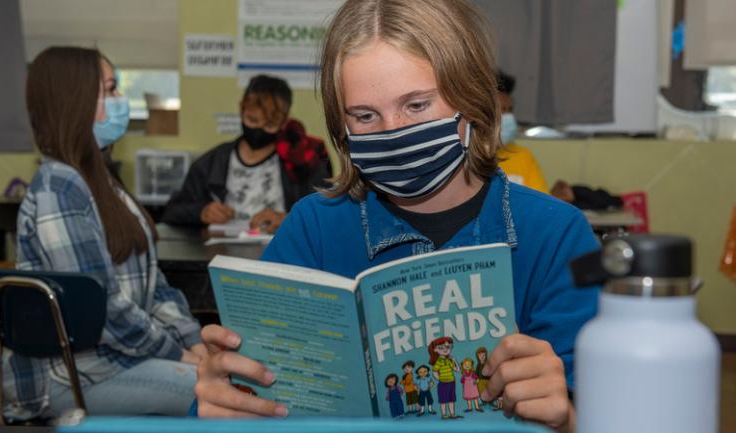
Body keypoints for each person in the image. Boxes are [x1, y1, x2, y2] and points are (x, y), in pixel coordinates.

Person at [194, 1, 599, 432]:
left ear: (472, 97)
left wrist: (568, 419)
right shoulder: (313, 228)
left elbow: (606, 411)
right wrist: (217, 404)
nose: (393, 133)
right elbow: (247, 391)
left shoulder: (558, 236)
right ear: (342, 128)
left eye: (417, 105)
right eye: (366, 116)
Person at [12, 46, 203, 420]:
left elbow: (154, 285)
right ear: (76, 99)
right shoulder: (59, 187)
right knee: (222, 396)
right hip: (73, 377)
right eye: (112, 89)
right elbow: (103, 310)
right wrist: (181, 354)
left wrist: (195, 342)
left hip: (118, 361)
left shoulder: (101, 180)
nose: (121, 100)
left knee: (224, 380)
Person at [162, 75, 330, 233]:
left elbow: (327, 215)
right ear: (241, 109)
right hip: (221, 253)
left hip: (281, 256)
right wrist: (201, 212)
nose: (258, 130)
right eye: (252, 120)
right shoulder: (211, 163)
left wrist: (290, 219)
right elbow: (172, 212)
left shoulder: (302, 162)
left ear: (284, 121)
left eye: (270, 125)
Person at [495, 70, 548, 193]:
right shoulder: (464, 158)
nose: (508, 117)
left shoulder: (522, 156)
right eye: (501, 110)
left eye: (510, 110)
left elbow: (539, 205)